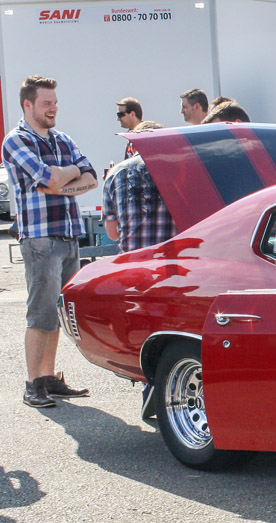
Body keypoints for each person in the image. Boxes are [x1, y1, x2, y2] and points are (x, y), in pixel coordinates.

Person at [2, 75, 97, 408]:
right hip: (40, 237)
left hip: (69, 234)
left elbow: (91, 178)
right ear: (28, 104)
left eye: (55, 102)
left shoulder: (62, 139)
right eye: (46, 103)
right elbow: (51, 177)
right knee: (40, 314)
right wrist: (67, 176)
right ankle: (32, 385)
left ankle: (48, 379)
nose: (53, 108)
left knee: (56, 313)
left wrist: (62, 181)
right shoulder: (15, 141)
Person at [102, 122, 176, 253]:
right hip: (169, 261)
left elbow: (112, 234)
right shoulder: (177, 169)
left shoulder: (114, 173)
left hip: (132, 261)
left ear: (132, 146)